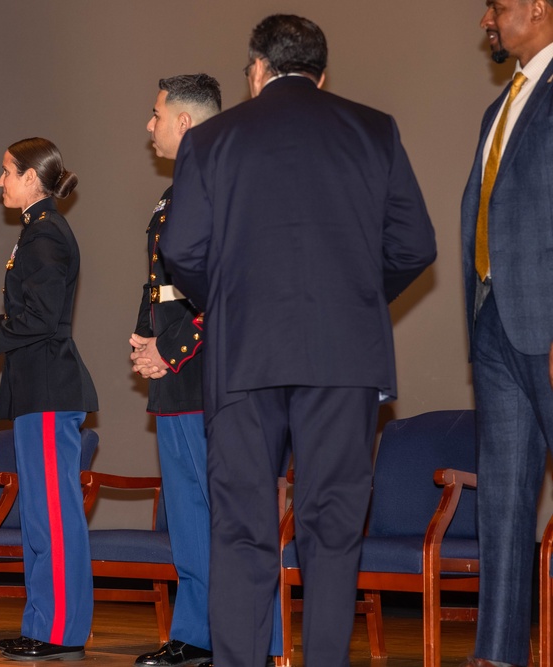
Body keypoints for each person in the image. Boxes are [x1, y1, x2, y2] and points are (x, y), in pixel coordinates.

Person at [161, 14, 436, 667]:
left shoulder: (213, 139)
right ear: (322, 70)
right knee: (333, 531)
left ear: (258, 69)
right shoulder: (374, 131)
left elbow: (181, 249)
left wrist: (227, 305)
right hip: (344, 359)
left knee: (240, 529)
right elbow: (414, 246)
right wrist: (356, 302)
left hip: (245, 357)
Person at [0, 137, 98, 662]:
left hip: (48, 391)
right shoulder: (37, 231)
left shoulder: (44, 234)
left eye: (6, 172)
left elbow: (43, 321)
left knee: (54, 516)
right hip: (35, 391)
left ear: (30, 178)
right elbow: (36, 317)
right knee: (40, 516)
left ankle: (61, 630)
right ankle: (45, 625)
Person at [460, 1, 553, 665]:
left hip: (547, 321)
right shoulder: (502, 105)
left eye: (495, 7)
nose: (487, 20)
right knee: (503, 499)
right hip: (496, 318)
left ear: (538, 9)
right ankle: (497, 654)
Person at [129, 73, 221, 667]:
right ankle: (194, 635)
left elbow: (229, 289)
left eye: (156, 114)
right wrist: (144, 338)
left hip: (210, 373)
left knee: (227, 517)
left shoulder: (221, 184)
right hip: (174, 376)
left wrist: (174, 347)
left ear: (185, 122)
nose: (149, 125)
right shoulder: (174, 193)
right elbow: (160, 283)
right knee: (187, 517)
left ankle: (246, 639)